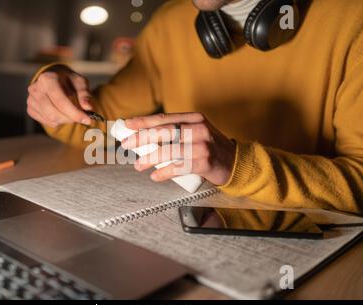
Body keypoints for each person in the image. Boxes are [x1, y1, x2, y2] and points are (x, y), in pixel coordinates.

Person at [26, 0, 363, 214]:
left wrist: (237, 164)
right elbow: (87, 127)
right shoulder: (170, 21)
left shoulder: (352, 17)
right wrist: (54, 85)